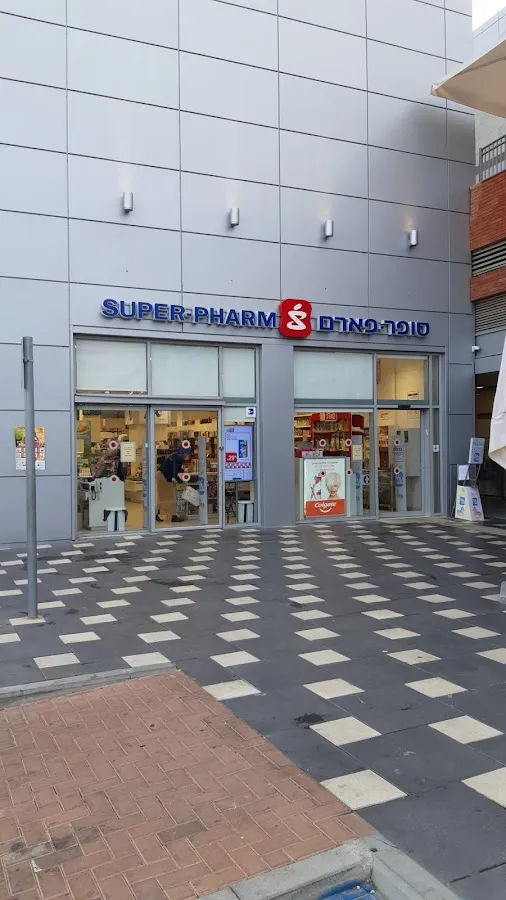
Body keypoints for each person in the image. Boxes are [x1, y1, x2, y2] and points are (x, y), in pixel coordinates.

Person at [157, 442, 192, 523]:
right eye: (188, 453)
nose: (188, 455)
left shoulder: (175, 455)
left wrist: (182, 472)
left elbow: (176, 469)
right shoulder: (179, 458)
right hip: (164, 477)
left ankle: (155, 514)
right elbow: (175, 474)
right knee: (171, 497)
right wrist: (181, 482)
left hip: (160, 474)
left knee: (161, 497)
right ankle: (173, 517)